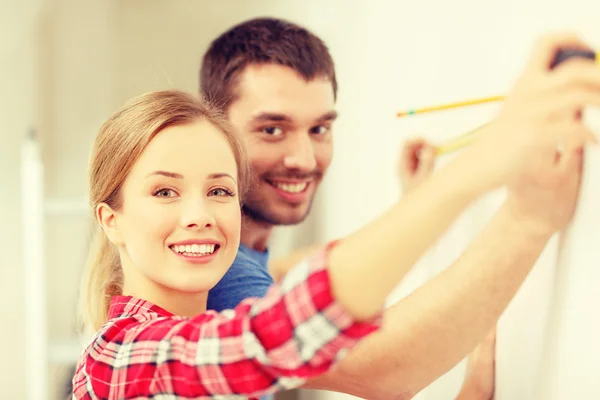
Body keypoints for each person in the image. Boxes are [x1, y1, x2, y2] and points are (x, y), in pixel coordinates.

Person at [201, 18, 595, 399]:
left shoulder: (242, 252)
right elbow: (381, 372)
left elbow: (296, 272)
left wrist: (414, 208)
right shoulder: (215, 276)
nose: (303, 159)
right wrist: (527, 221)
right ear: (212, 131)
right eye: (272, 130)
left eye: (319, 128)